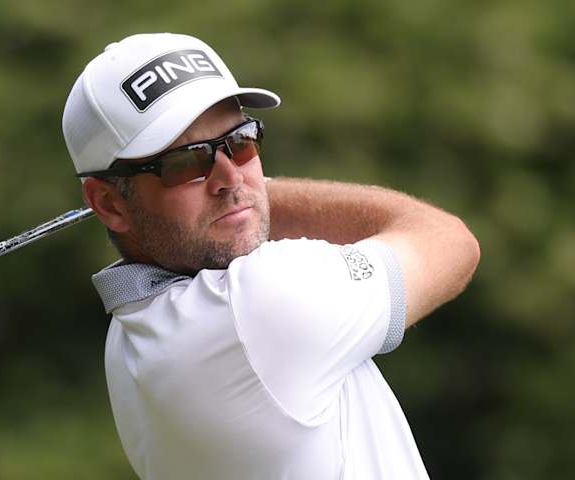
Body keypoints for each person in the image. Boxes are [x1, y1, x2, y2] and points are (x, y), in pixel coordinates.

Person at [62, 33, 480, 480]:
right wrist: (250, 196)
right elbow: (447, 240)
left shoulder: (126, 339)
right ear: (108, 204)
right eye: (185, 163)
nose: (229, 176)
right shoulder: (260, 304)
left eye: (240, 141)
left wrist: (234, 198)